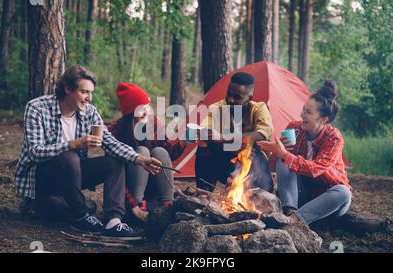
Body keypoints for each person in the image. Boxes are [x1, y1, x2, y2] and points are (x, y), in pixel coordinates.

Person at [15, 65, 161, 239]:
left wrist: (139, 159)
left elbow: (110, 143)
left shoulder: (89, 112)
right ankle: (80, 216)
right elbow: (34, 152)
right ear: (67, 88)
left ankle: (113, 221)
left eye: (91, 93)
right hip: (43, 177)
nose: (89, 98)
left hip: (73, 176)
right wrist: (74, 144)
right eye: (85, 92)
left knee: (113, 161)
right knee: (70, 157)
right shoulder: (37, 108)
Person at [257, 80, 352, 225]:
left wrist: (284, 154)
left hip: (328, 200)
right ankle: (289, 212)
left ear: (323, 119)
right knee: (284, 160)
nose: (302, 115)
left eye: (308, 112)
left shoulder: (334, 138)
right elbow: (275, 167)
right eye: (303, 109)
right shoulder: (295, 128)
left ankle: (294, 220)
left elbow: (316, 169)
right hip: (301, 196)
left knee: (344, 192)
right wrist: (276, 152)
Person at [107, 83, 187, 222]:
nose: (147, 111)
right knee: (142, 151)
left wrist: (184, 141)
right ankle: (138, 208)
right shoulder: (115, 132)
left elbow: (169, 154)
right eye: (141, 108)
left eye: (147, 106)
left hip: (153, 191)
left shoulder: (152, 121)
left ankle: (168, 204)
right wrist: (133, 205)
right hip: (129, 195)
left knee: (159, 150)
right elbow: (114, 175)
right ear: (130, 112)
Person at [195, 72, 274, 192]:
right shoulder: (216, 108)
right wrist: (203, 134)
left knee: (251, 146)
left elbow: (263, 133)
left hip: (253, 167)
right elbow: (206, 128)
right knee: (205, 147)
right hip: (225, 164)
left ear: (249, 98)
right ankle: (204, 192)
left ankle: (253, 194)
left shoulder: (258, 108)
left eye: (237, 97)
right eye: (229, 94)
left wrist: (224, 137)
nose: (231, 100)